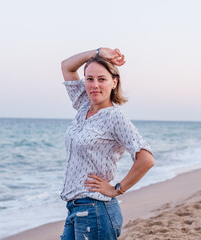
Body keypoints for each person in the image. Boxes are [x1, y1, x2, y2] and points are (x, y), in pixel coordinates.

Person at [60, 47, 155, 240]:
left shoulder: (115, 117)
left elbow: (146, 159)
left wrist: (117, 189)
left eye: (101, 79)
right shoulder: (84, 104)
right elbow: (67, 67)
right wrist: (97, 52)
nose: (95, 85)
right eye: (89, 79)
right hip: (74, 207)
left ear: (114, 82)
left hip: (95, 210)